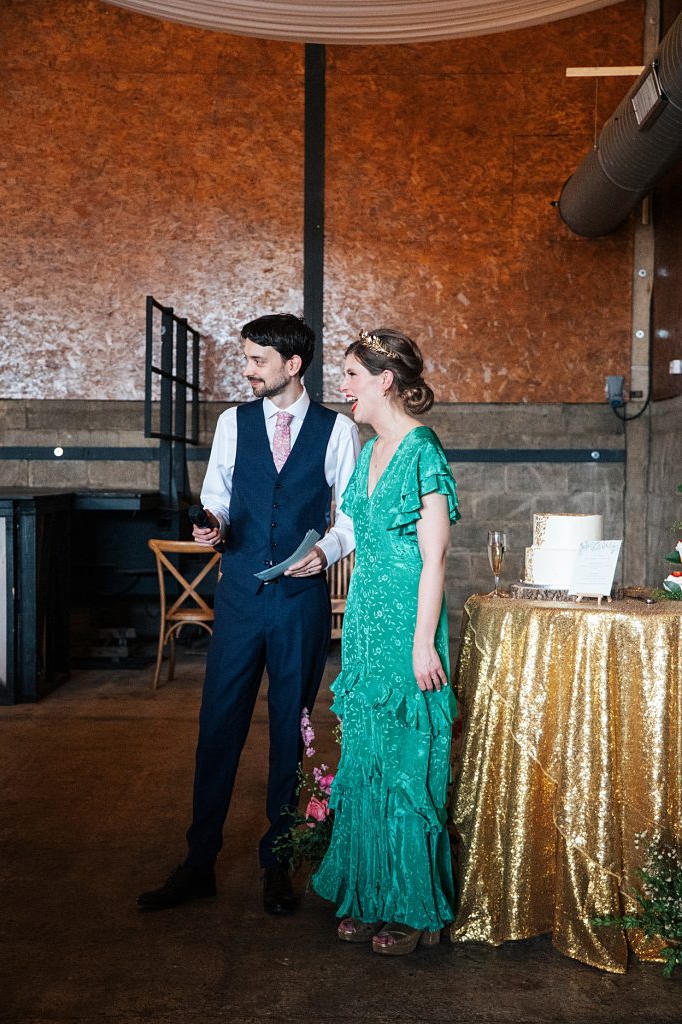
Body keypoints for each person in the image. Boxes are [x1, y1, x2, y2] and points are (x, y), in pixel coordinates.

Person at [137, 313, 359, 915]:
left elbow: (352, 513)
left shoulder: (337, 431)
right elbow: (216, 492)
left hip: (299, 603)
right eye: (248, 358)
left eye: (257, 360)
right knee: (219, 727)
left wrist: (326, 550)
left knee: (291, 729)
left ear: (293, 365)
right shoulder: (233, 423)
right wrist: (213, 526)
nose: (247, 370)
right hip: (237, 597)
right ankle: (199, 862)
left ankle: (277, 862)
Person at [312, 327, 459, 956]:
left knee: (406, 764)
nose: (342, 387)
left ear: (384, 382)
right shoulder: (367, 449)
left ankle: (416, 908)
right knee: (367, 760)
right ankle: (372, 894)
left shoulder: (423, 450)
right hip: (368, 621)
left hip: (408, 622)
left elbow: (437, 556)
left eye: (350, 375)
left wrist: (424, 643)